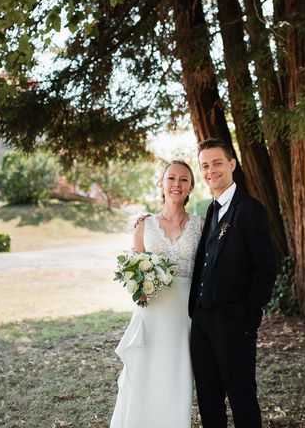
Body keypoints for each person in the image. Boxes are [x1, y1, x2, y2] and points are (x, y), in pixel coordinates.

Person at [189, 138, 277, 428]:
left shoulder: (250, 210)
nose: (210, 170)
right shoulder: (211, 209)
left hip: (234, 322)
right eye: (204, 166)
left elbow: (266, 268)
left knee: (242, 402)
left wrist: (248, 315)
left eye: (216, 163)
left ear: (231, 164)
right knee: (209, 401)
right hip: (202, 322)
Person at [111, 160, 203, 428]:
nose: (177, 184)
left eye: (184, 179)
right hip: (151, 314)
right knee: (145, 375)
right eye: (171, 178)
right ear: (161, 184)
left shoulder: (201, 225)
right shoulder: (144, 225)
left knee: (177, 375)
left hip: (183, 317)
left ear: (191, 188)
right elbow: (133, 269)